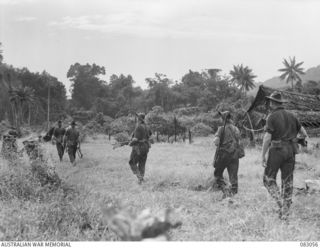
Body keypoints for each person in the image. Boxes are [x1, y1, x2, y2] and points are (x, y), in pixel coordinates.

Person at [261, 91, 308, 220]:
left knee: (268, 179)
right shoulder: (293, 116)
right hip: (291, 152)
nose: (270, 103)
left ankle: (280, 204)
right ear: (281, 103)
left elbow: (267, 138)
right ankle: (285, 210)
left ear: (272, 103)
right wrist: (295, 140)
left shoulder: (272, 116)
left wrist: (263, 155)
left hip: (276, 151)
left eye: (270, 101)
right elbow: (304, 133)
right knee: (287, 181)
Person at [213, 111, 241, 197]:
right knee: (233, 177)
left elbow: (216, 142)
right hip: (235, 155)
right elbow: (239, 142)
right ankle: (232, 194)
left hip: (224, 155)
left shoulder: (221, 129)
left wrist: (216, 140)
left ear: (223, 119)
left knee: (217, 175)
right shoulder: (236, 129)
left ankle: (226, 191)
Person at [129, 113, 152, 184]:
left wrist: (130, 143)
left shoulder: (138, 127)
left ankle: (140, 177)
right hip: (146, 147)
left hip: (138, 148)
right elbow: (150, 135)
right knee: (142, 164)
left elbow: (135, 139)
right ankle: (141, 180)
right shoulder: (147, 126)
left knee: (132, 162)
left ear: (138, 119)